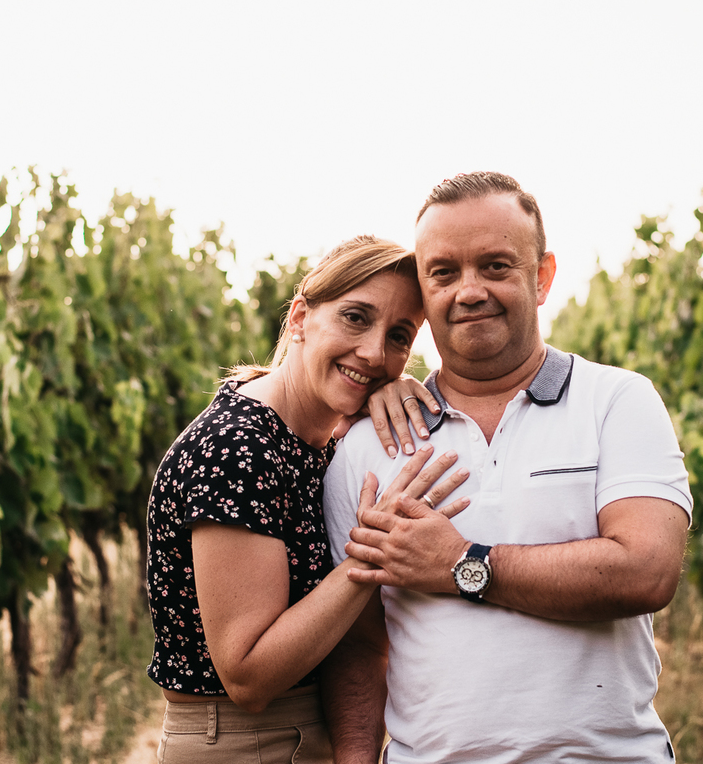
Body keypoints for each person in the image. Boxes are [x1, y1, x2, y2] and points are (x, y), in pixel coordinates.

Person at [321, 173, 693, 763]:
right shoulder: (369, 444)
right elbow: (358, 645)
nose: (469, 291)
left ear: (541, 276)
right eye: (443, 272)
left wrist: (461, 564)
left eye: (495, 266)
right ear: (422, 290)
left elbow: (646, 572)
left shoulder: (618, 402)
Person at [144, 235, 470, 764]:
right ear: (299, 319)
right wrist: (374, 552)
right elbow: (247, 675)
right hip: (248, 742)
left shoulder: (311, 441)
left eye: (398, 336)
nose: (373, 352)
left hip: (292, 733)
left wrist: (387, 396)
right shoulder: (238, 447)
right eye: (355, 318)